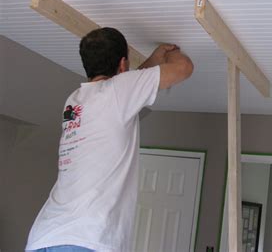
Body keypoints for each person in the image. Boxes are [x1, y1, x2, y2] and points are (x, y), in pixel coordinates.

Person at [25, 27, 193, 252]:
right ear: (123, 64)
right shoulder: (117, 93)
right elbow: (183, 68)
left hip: (44, 237)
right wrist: (171, 53)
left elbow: (126, 89)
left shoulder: (75, 101)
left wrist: (153, 60)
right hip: (86, 238)